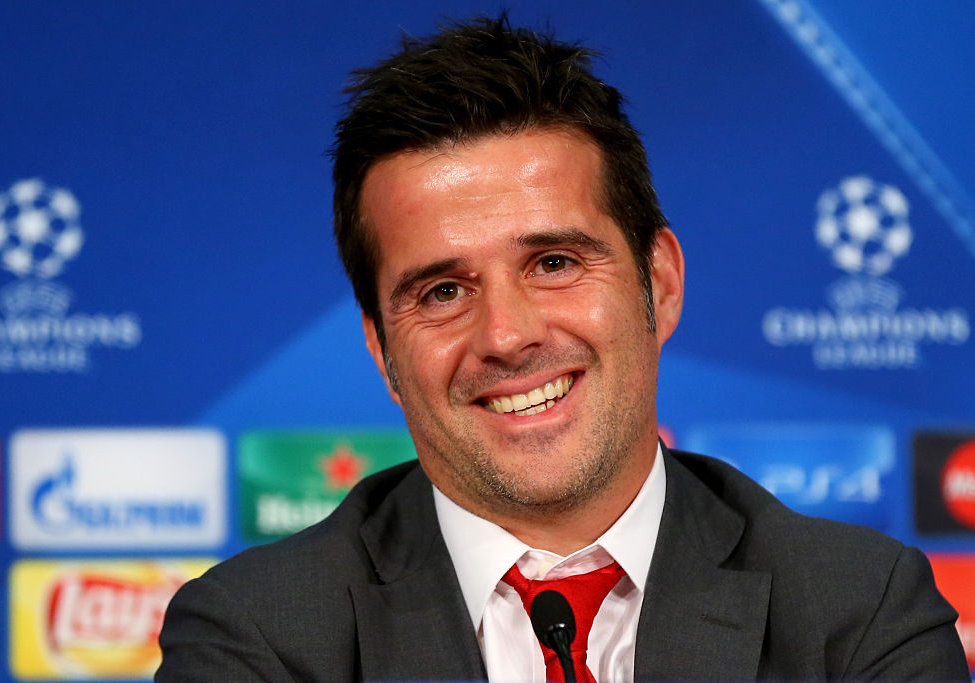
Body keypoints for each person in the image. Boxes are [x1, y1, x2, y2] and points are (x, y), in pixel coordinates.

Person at [156, 16, 968, 682]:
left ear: (662, 282)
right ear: (380, 349)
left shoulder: (857, 613)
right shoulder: (254, 637)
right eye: (442, 291)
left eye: (553, 263)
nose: (506, 335)